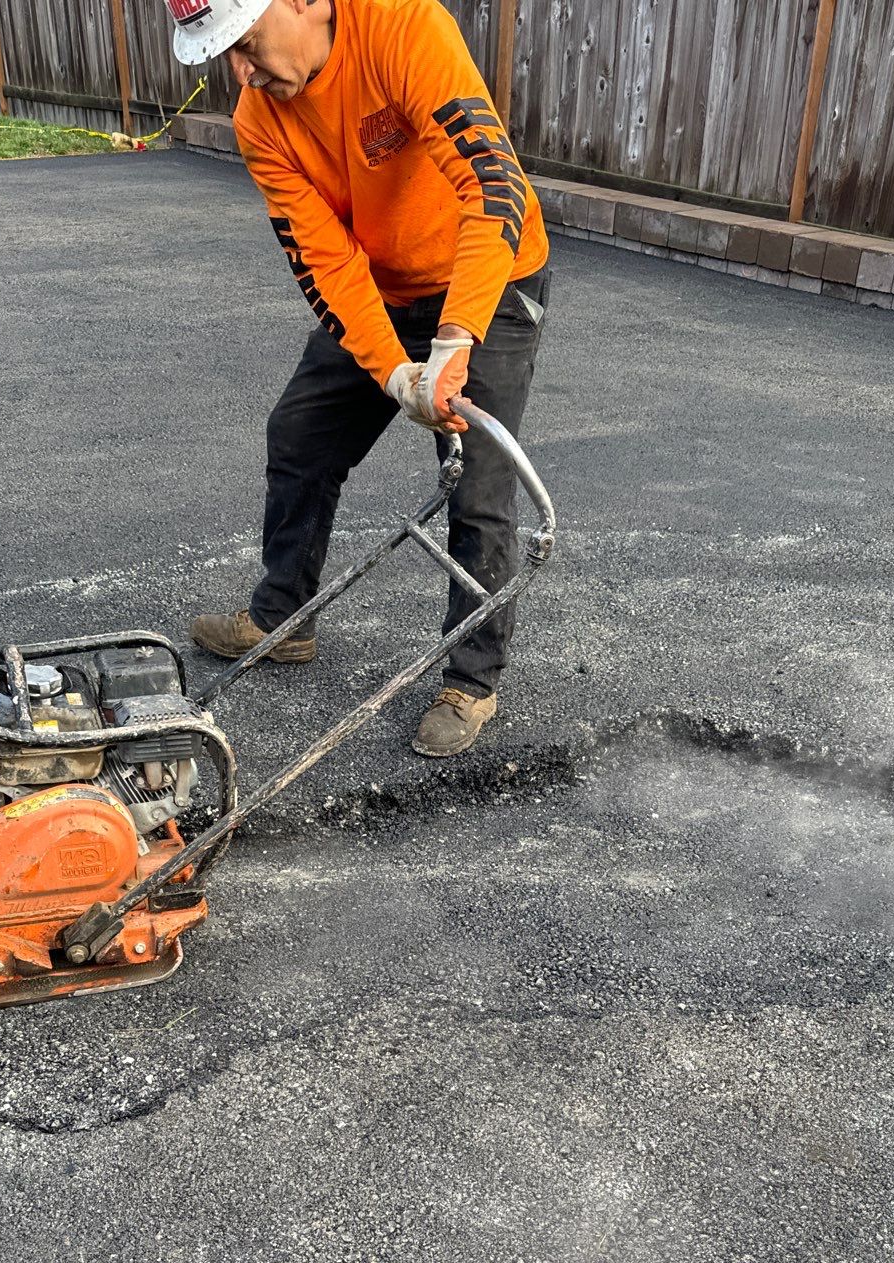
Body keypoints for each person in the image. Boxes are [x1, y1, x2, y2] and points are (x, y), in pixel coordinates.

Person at [170, 0, 551, 757]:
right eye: (225, 57)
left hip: (492, 279)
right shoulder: (259, 119)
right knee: (301, 431)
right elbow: (325, 264)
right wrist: (393, 371)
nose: (240, 73)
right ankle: (284, 619)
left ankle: (470, 682)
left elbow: (491, 184)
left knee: (477, 485)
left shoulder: (402, 26)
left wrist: (453, 339)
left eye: (245, 45)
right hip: (384, 289)